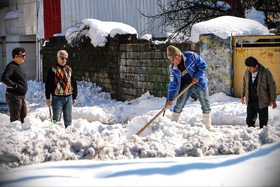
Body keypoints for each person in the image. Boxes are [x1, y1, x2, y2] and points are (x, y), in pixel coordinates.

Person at [165, 45, 215, 132]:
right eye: (170, 59)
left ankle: (208, 127)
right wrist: (170, 98)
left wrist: (197, 76)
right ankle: (172, 126)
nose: (172, 61)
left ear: (179, 55)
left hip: (199, 82)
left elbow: (203, 65)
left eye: (174, 58)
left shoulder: (191, 56)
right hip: (185, 85)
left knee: (205, 103)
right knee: (179, 104)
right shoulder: (172, 68)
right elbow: (172, 83)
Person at [241, 56, 277, 128]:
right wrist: (242, 95)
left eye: (251, 67)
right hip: (251, 99)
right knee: (250, 121)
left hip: (262, 100)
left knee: (263, 123)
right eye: (248, 67)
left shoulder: (266, 73)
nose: (249, 69)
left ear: (256, 66)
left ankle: (263, 136)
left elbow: (272, 86)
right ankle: (251, 135)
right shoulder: (247, 72)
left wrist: (273, 100)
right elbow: (244, 83)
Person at [45, 50, 77, 128]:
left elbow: (74, 83)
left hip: (68, 97)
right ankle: (54, 131)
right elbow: (48, 84)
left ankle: (68, 132)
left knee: (68, 118)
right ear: (57, 58)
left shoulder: (68, 69)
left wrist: (74, 96)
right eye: (62, 58)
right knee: (56, 118)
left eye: (66, 58)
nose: (64, 60)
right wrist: (48, 98)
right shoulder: (52, 69)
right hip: (57, 97)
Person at [1, 47, 28, 123]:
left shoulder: (18, 67)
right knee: (16, 121)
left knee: (24, 120)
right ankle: (16, 134)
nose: (24, 57)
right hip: (14, 96)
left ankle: (22, 134)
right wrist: (14, 85)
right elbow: (4, 78)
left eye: (24, 55)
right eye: (22, 56)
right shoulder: (11, 66)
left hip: (20, 96)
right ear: (16, 56)